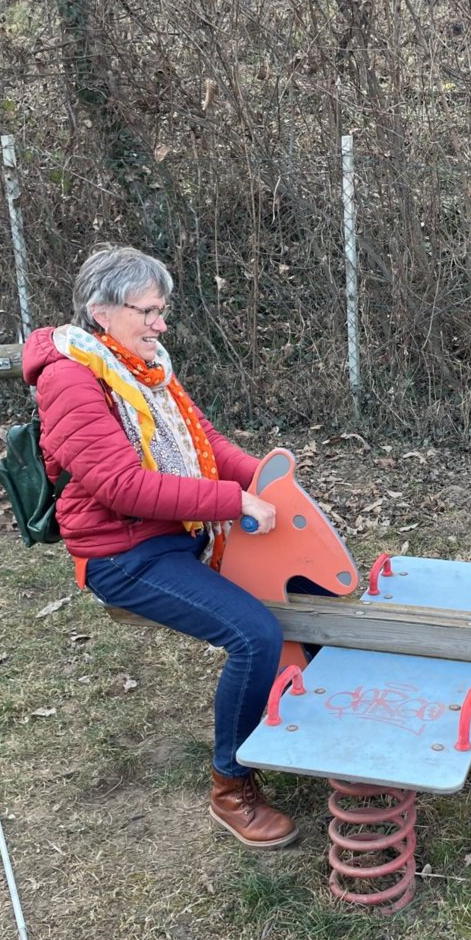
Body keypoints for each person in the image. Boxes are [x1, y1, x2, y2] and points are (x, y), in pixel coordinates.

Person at [23, 243, 299, 850]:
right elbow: (122, 488)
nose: (161, 323)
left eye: (162, 309)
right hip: (123, 554)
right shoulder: (71, 378)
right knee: (254, 635)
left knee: (300, 591)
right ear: (102, 311)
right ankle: (232, 789)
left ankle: (297, 721)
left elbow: (204, 443)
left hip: (174, 533)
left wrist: (270, 480)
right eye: (149, 311)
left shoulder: (144, 370)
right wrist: (232, 502)